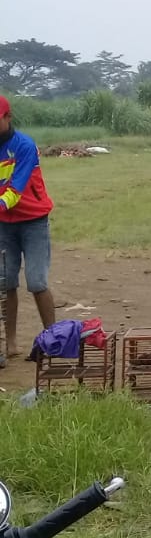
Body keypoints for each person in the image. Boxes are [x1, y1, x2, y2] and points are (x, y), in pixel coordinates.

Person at [0, 95, 56, 366]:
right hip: (3, 225)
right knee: (5, 283)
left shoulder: (24, 145)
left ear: (8, 118)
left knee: (37, 282)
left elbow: (16, 190)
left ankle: (53, 339)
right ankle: (10, 344)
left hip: (34, 220)